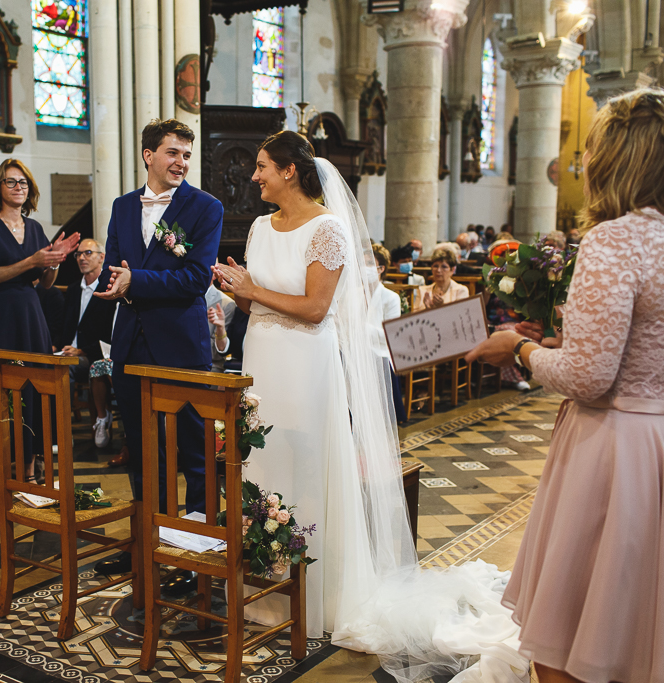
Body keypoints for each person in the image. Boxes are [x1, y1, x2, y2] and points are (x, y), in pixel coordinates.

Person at [214, 131, 525, 680]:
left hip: (306, 366)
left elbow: (313, 308)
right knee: (263, 466)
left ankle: (318, 596)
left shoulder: (327, 229)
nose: (254, 176)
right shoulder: (260, 227)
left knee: (306, 473)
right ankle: (267, 592)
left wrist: (253, 292)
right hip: (259, 357)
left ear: (290, 171)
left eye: (262, 167)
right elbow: (253, 297)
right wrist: (234, 288)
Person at [467, 88, 664, 683]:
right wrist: (555, 347)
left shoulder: (616, 239)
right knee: (649, 631)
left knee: (571, 645)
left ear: (614, 156)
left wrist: (516, 349)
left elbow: (589, 378)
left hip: (614, 448)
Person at [91, 119, 223, 589]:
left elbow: (195, 279)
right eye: (172, 153)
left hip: (181, 346)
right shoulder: (123, 206)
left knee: (194, 451)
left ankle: (198, 551)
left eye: (186, 155)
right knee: (144, 451)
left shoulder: (205, 207)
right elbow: (113, 263)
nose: (181, 163)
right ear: (148, 155)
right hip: (131, 341)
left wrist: (135, 282)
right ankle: (149, 543)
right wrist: (110, 285)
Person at [0, 159, 78, 516]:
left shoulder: (36, 227)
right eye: (10, 182)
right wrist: (31, 262)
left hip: (31, 319)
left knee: (31, 395)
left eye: (23, 183)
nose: (18, 188)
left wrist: (52, 264)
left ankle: (26, 479)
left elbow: (45, 284)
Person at [60, 238, 117, 448]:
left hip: (94, 354)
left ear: (102, 257)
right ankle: (50, 431)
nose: (82, 258)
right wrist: (57, 346)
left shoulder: (108, 288)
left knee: (64, 372)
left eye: (88, 253)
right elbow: (65, 325)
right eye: (78, 254)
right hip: (69, 352)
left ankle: (62, 434)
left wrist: (81, 350)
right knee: (45, 367)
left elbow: (110, 335)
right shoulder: (74, 289)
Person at [370, 243, 405, 422]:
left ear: (381, 269)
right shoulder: (352, 294)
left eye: (369, 263)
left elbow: (391, 336)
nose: (364, 268)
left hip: (380, 353)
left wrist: (360, 330)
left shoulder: (391, 298)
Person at [414, 247, 469, 312]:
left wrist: (442, 307)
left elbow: (460, 317)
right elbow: (414, 317)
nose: (438, 270)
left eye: (444, 267)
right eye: (435, 266)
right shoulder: (422, 290)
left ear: (452, 270)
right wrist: (427, 309)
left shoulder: (461, 291)